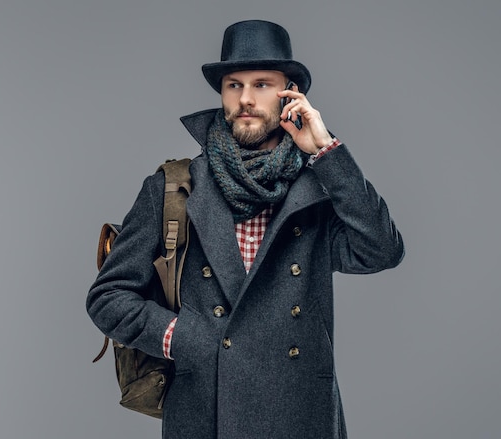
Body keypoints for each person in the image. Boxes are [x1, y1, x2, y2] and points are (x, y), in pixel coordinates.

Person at [87, 19, 404, 439]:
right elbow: (107, 297)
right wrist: (183, 338)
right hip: (206, 413)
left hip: (300, 416)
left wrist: (326, 151)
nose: (247, 99)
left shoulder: (316, 190)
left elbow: (382, 251)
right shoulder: (175, 187)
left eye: (262, 84)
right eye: (234, 85)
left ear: (289, 93)